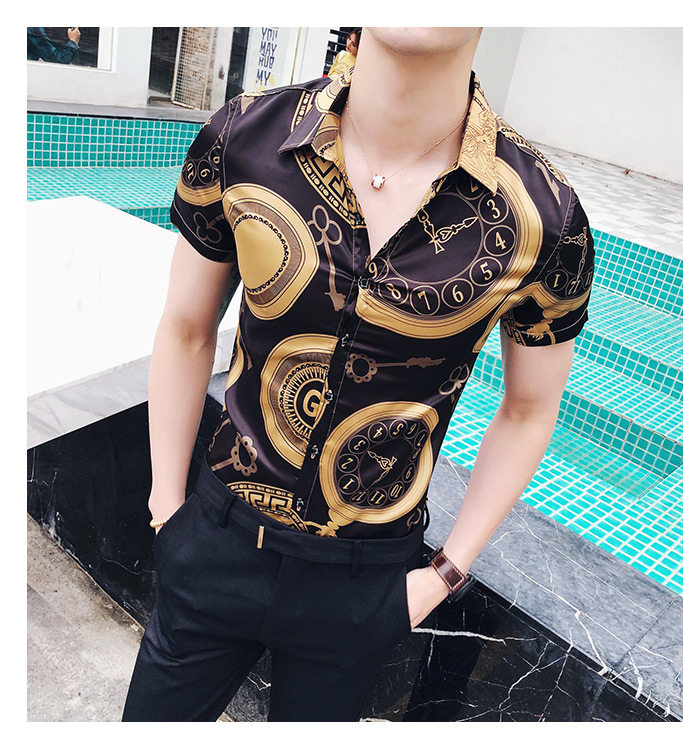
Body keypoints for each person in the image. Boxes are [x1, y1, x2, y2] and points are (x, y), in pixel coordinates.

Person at [122, 27, 595, 722]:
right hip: (216, 543)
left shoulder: (543, 216)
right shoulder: (245, 136)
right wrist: (168, 508)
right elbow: (186, 329)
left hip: (364, 587)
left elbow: (529, 409)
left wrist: (443, 575)